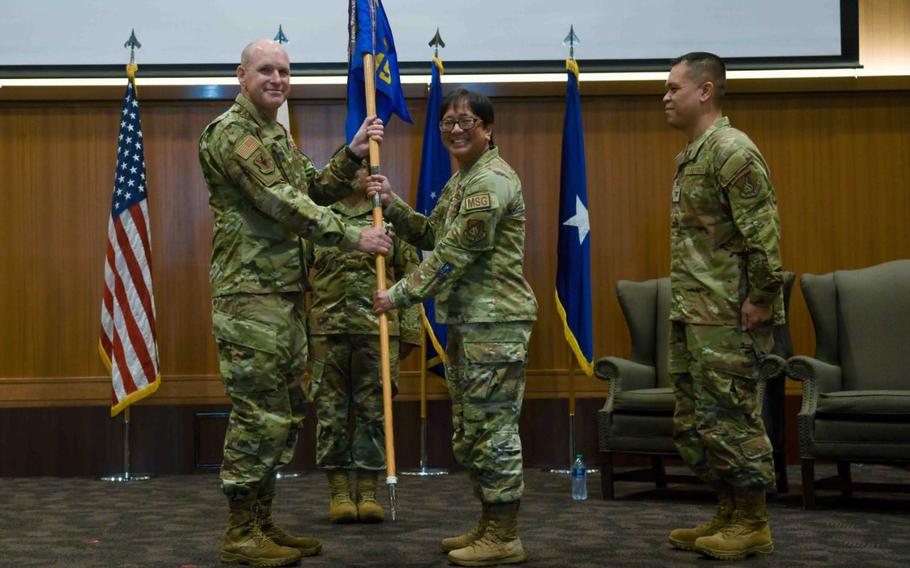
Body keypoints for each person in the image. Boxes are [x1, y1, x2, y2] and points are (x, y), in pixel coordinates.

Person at [198, 39, 391, 567]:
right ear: (241, 76)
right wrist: (354, 239)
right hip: (250, 297)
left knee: (282, 416)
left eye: (285, 71)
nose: (277, 80)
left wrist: (351, 153)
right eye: (266, 70)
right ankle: (240, 533)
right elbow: (281, 204)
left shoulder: (276, 135)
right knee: (256, 416)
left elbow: (314, 188)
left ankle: (261, 523)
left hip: (284, 296)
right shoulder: (231, 133)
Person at [372, 88, 538, 567]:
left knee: (495, 431)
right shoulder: (461, 181)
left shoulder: (491, 182)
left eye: (467, 121)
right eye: (447, 122)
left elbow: (454, 256)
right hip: (471, 323)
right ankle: (490, 523)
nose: (456, 129)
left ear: (488, 129)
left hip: (495, 324)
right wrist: (392, 202)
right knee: (472, 430)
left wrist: (397, 295)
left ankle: (505, 535)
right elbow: (430, 234)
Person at [662, 51, 784, 561]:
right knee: (700, 419)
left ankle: (754, 522)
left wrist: (760, 298)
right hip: (697, 312)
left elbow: (763, 234)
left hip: (729, 314)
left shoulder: (732, 151)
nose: (665, 98)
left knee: (733, 416)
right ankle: (730, 511)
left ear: (706, 91)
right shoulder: (695, 153)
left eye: (674, 88)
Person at [303, 166, 421, 525]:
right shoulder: (319, 215)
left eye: (366, 164)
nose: (360, 171)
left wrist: (410, 331)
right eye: (353, 165)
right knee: (330, 413)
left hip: (378, 329)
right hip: (327, 331)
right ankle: (339, 492)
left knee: (374, 412)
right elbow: (298, 272)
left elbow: (412, 272)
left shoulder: (388, 213)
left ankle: (368, 491)